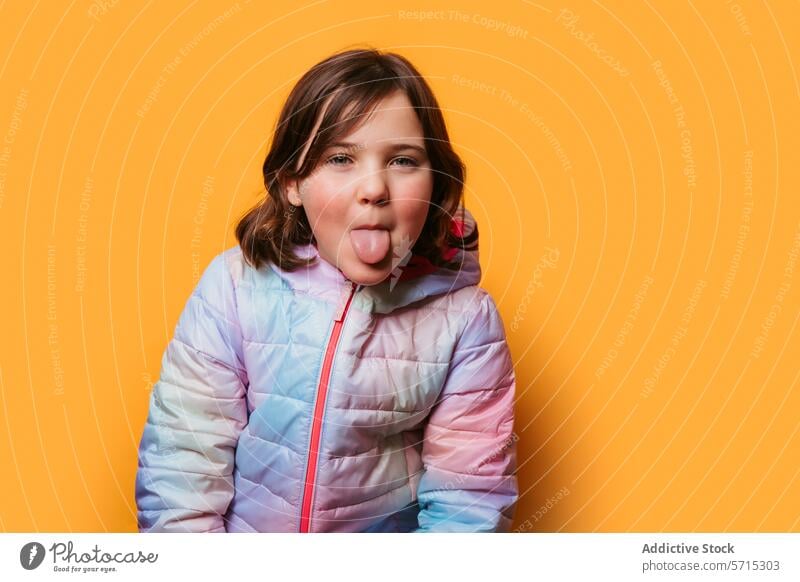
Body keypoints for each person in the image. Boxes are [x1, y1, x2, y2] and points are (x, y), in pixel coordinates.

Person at [134, 47, 518, 533]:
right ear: (292, 181)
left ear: (437, 184)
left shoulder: (466, 321)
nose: (373, 187)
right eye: (340, 158)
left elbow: (469, 506)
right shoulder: (235, 286)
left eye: (402, 160)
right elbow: (183, 461)